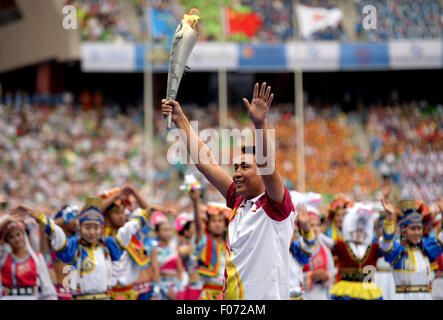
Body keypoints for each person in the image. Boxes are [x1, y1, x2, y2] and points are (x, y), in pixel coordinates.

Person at [162, 82, 296, 300]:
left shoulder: (276, 207)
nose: (237, 173)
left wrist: (260, 124)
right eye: (236, 167)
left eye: (245, 167)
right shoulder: (238, 201)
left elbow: (268, 166)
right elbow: (208, 164)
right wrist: (180, 120)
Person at [9, 196, 151, 300]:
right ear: (80, 228)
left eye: (96, 228)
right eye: (87, 227)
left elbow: (128, 229)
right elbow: (56, 232)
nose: (91, 232)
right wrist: (36, 215)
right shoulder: (74, 246)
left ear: (101, 230)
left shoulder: (108, 245)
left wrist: (147, 212)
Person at [380, 198, 443, 300]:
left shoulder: (425, 248)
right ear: (404, 230)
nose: (417, 232)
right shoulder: (398, 250)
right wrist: (389, 220)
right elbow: (386, 245)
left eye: (419, 228)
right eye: (413, 229)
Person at [329, 203, 384, 300]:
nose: (359, 234)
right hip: (345, 291)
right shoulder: (341, 246)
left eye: (362, 231)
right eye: (356, 230)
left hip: (369, 291)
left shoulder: (374, 248)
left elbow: (387, 246)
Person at [0, 214, 56, 300]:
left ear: (24, 235)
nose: (16, 239)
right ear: (7, 241)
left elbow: (48, 288)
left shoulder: (37, 258)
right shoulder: (3, 258)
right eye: (11, 237)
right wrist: (7, 220)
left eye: (18, 234)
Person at [196, 202, 230, 300]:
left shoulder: (228, 246)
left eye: (220, 221)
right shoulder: (203, 241)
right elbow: (198, 227)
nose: (217, 224)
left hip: (225, 293)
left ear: (225, 226)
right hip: (208, 293)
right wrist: (195, 201)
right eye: (214, 221)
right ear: (208, 225)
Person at [302, 205, 335, 300]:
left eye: (317, 225)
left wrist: (326, 275)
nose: (315, 229)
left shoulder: (324, 248)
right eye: (311, 225)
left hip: (321, 293)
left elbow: (331, 270)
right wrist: (312, 275)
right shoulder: (299, 247)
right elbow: (293, 275)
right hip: (304, 294)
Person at [176, 188, 203, 300]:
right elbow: (184, 252)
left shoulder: (200, 241)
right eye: (192, 228)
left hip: (205, 287)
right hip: (193, 288)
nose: (195, 229)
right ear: (186, 231)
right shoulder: (183, 248)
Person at [151, 211, 185, 300]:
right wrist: (155, 293)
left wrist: (176, 288)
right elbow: (155, 272)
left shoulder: (175, 247)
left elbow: (180, 271)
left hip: (174, 289)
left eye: (169, 230)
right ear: (157, 232)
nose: (168, 233)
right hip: (160, 287)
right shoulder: (154, 248)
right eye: (164, 230)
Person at [51, 205, 79, 300]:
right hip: (61, 291)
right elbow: (47, 229)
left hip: (78, 289)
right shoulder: (55, 241)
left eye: (76, 218)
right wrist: (64, 219)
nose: (76, 222)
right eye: (72, 218)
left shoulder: (78, 239)